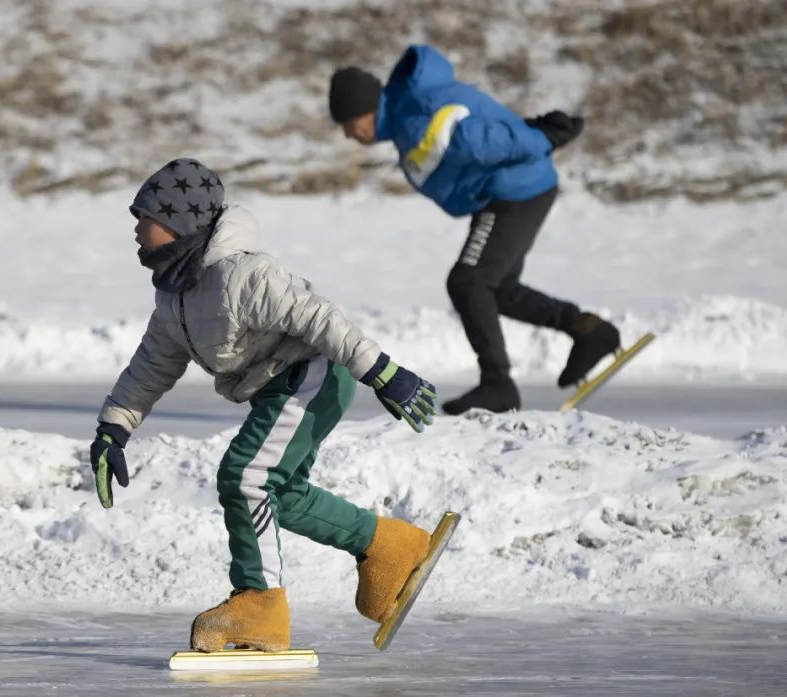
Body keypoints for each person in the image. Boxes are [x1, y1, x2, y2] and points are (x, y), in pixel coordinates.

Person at [90, 158, 438, 652]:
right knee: (279, 492)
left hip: (314, 372)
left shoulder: (244, 274)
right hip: (280, 384)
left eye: (142, 217)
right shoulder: (175, 297)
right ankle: (389, 547)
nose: (135, 229)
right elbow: (149, 367)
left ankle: (260, 605)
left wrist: (380, 371)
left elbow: (320, 318)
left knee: (246, 476)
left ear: (175, 221)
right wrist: (113, 429)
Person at [329, 45, 621, 415]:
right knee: (495, 288)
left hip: (516, 190)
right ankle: (589, 331)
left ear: (363, 113)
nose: (347, 135)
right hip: (509, 192)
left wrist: (543, 138)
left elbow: (477, 140)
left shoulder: (412, 114)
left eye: (346, 124)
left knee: (469, 281)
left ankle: (498, 384)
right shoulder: (407, 117)